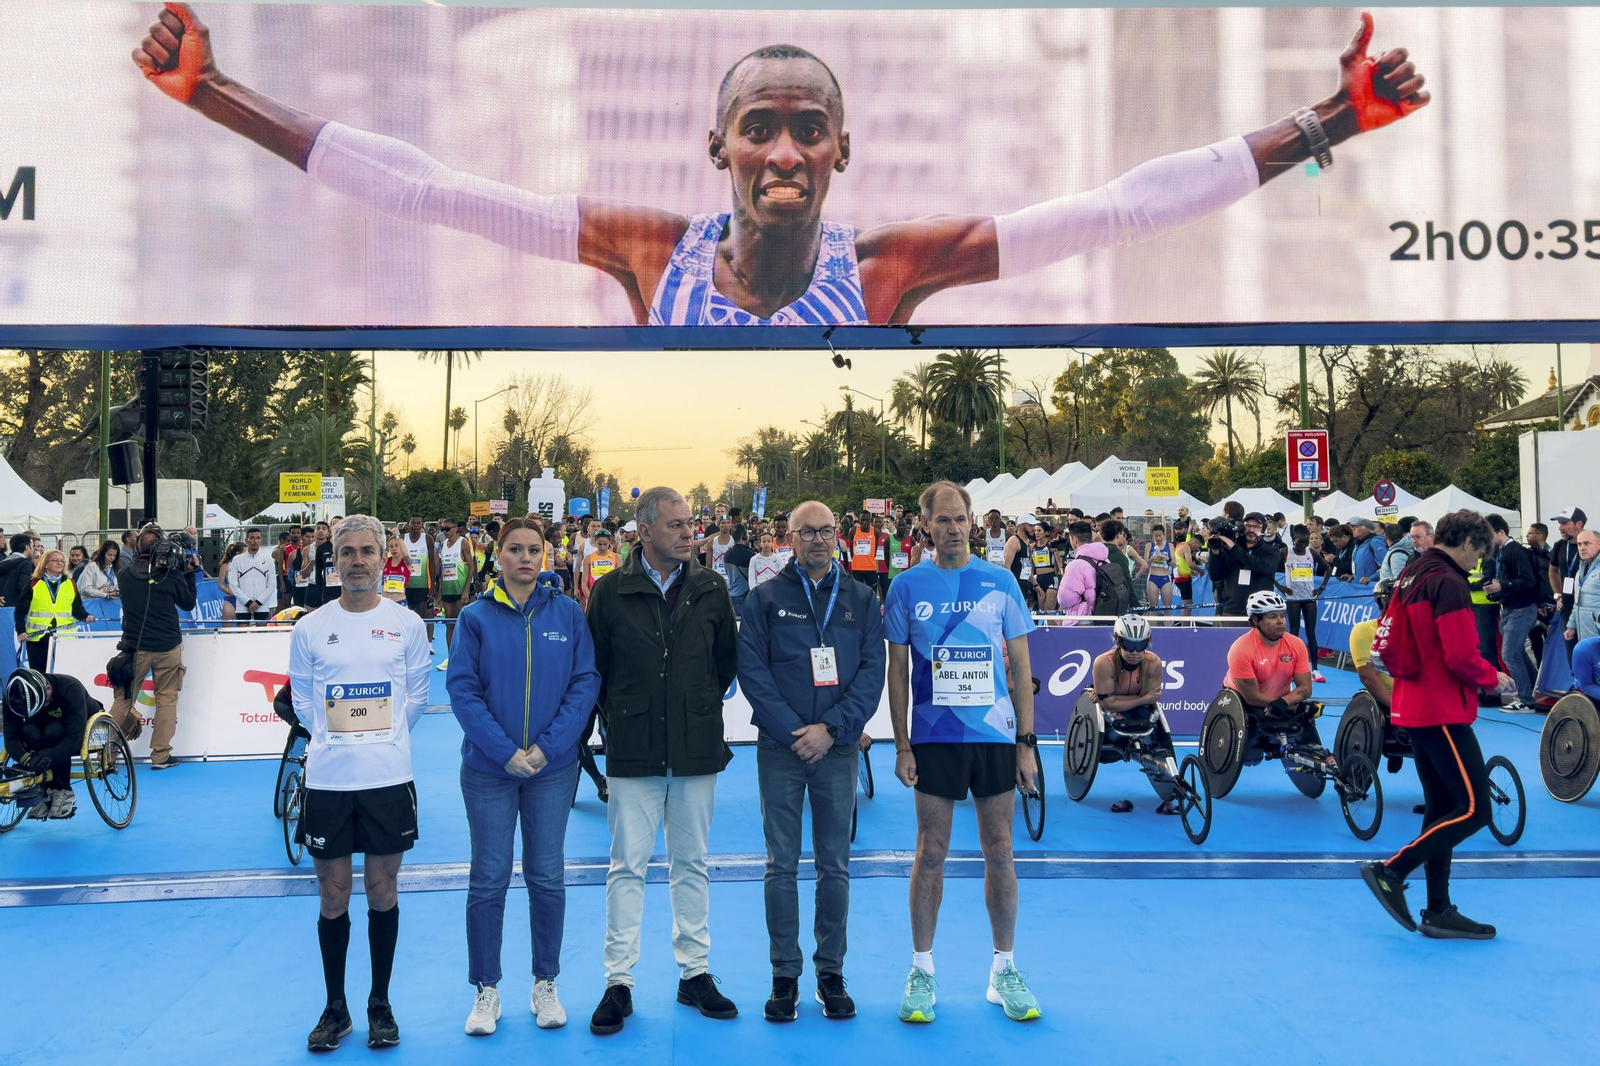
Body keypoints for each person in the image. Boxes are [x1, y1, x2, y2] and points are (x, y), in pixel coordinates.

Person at [584, 487, 740, 1035]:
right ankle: (618, 983)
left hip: (696, 749)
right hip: (633, 750)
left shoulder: (712, 588)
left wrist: (691, 709)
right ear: (644, 531)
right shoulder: (608, 592)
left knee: (691, 864)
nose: (687, 533)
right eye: (675, 525)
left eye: (689, 524)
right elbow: (596, 672)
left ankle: (694, 973)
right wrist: (626, 716)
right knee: (625, 866)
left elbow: (724, 668)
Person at [883, 481, 1040, 1024]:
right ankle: (922, 969)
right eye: (943, 519)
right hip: (933, 738)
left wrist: (1026, 744)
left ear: (973, 521)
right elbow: (897, 672)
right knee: (931, 850)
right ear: (925, 525)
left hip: (994, 737)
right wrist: (902, 742)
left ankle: (1005, 969)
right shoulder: (906, 587)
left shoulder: (1001, 583)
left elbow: (1021, 668)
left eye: (960, 518)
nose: (953, 527)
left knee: (1001, 850)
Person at [447, 518, 601, 1036]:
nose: (526, 558)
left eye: (535, 549)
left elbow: (584, 685)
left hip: (551, 770)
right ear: (498, 555)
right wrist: (505, 751)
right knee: (488, 879)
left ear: (548, 555)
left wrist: (546, 749)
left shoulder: (569, 614)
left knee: (546, 876)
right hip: (490, 771)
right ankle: (486, 989)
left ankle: (545, 983)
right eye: (515, 549)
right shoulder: (473, 618)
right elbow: (463, 691)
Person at [287, 515, 432, 1051]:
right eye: (347, 552)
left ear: (382, 556)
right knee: (333, 894)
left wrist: (381, 739)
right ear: (335, 559)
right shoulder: (309, 627)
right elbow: (303, 699)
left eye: (367, 551)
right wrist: (333, 740)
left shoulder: (407, 625)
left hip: (388, 778)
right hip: (328, 779)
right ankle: (334, 1008)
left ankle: (380, 1004)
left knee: (380, 890)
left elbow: (416, 698)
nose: (357, 561)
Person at [737, 499, 884, 1022]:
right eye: (807, 532)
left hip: (837, 749)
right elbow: (752, 670)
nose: (818, 539)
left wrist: (833, 730)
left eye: (826, 531)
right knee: (780, 865)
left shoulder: (862, 599)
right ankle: (784, 976)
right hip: (781, 749)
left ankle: (830, 972)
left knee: (834, 866)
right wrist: (794, 730)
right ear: (789, 538)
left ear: (838, 536)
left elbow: (872, 673)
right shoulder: (765, 597)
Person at [1360, 510, 1517, 941]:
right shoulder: (1448, 582)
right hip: (1441, 706)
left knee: (1441, 808)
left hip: (1412, 703)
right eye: (1479, 554)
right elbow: (1461, 655)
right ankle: (1392, 871)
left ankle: (1437, 909)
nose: (1479, 563)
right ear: (1467, 542)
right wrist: (1494, 677)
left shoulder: (1414, 572)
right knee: (1475, 809)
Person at [107, 525, 199, 770]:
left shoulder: (124, 575)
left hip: (134, 648)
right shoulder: (171, 575)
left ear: (137, 547)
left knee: (123, 700)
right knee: (166, 700)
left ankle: (107, 757)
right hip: (167, 647)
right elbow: (188, 603)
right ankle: (160, 756)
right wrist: (188, 573)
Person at [1092, 615, 1180, 814]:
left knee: (1147, 717)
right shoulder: (1103, 663)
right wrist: (1138, 699)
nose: (1134, 651)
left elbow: (1150, 701)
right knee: (1122, 714)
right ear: (1118, 640)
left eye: (1140, 645)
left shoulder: (1153, 662)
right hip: (1112, 721)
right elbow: (1109, 703)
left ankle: (1173, 781)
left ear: (1148, 642)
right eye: (1128, 644)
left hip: (1136, 711)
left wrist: (1116, 700)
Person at [1225, 591, 1319, 745]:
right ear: (1256, 620)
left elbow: (1306, 688)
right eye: (1272, 617)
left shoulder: (1297, 644)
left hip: (1281, 700)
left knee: (1307, 713)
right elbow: (1252, 697)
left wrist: (1284, 703)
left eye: (1282, 615)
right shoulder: (1241, 649)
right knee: (1258, 720)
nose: (1280, 621)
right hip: (1245, 702)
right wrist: (1284, 704)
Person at [3, 668, 95, 821]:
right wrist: (28, 759)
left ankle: (63, 789)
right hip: (41, 725)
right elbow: (12, 739)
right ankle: (43, 789)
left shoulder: (70, 687)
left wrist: (49, 757)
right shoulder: (13, 698)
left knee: (54, 730)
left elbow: (75, 737)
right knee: (28, 729)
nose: (44, 707)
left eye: (44, 703)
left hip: (76, 722)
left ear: (48, 688)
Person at [1482, 513, 1537, 711]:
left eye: (1489, 534)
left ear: (1501, 532)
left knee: (1510, 654)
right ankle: (1532, 691)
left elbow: (1528, 581)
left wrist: (1502, 586)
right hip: (1509, 609)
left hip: (1520, 609)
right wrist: (1493, 590)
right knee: (1516, 652)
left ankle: (1525, 698)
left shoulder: (1516, 551)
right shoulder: (1500, 551)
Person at [17, 550, 90, 671]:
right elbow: (20, 610)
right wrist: (21, 630)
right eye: (55, 560)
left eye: (62, 561)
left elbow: (77, 608)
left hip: (64, 638)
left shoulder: (71, 583)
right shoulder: (33, 583)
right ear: (45, 564)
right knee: (39, 674)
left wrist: (86, 616)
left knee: (65, 672)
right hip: (38, 637)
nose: (60, 563)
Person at [1279, 524, 1331, 682]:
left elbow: (1328, 568)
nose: (1303, 545)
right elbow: (1268, 570)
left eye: (1305, 542)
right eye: (1300, 542)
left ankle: (1315, 669)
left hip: (1309, 597)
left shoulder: (1311, 552)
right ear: (1294, 539)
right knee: (1293, 633)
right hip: (1293, 598)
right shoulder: (1285, 552)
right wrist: (1281, 587)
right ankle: (1292, 669)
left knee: (1311, 633)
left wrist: (1321, 588)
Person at [436, 518, 478, 670]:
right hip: (447, 589)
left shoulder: (463, 543)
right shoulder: (442, 546)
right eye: (442, 529)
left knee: (460, 624)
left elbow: (471, 567)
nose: (444, 532)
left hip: (460, 590)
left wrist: (466, 590)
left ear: (455, 529)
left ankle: (464, 657)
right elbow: (442, 571)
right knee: (449, 624)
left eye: (447, 529)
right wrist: (439, 593)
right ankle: (450, 657)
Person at [1550, 508, 1588, 660]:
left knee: (1590, 653)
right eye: (1559, 523)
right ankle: (1577, 682)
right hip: (1567, 608)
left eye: (1565, 523)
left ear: (1579, 523)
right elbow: (1553, 571)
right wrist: (1558, 595)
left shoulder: (1592, 544)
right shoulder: (1559, 545)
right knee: (1572, 654)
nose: (1560, 527)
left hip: (1588, 611)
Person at [226, 527, 279, 624]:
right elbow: (233, 584)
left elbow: (272, 584)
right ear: (246, 540)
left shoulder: (268, 560)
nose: (255, 541)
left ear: (261, 540)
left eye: (258, 538)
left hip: (262, 606)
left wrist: (258, 602)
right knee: (242, 637)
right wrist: (248, 602)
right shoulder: (237, 560)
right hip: (242, 606)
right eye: (252, 538)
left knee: (262, 636)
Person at [1058, 522, 1107, 620]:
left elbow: (1064, 599)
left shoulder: (1076, 565)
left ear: (1074, 540)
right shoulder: (1104, 559)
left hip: (1082, 617)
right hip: (1105, 614)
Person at [400, 515, 439, 631]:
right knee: (407, 616)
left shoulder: (427, 539)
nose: (416, 525)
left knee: (420, 618)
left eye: (418, 523)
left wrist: (432, 584)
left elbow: (432, 562)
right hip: (405, 585)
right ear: (408, 524)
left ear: (422, 525)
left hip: (422, 585)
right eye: (413, 523)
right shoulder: (402, 539)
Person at [1562, 529, 1600, 644]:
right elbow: (1578, 602)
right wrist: (1572, 626)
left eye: (1587, 543)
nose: (1582, 548)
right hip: (1586, 634)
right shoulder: (1581, 569)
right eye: (1579, 544)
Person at [578, 527, 621, 610]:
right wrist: (591, 599)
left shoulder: (616, 557)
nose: (602, 547)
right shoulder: (588, 558)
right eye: (599, 544)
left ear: (610, 541)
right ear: (595, 541)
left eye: (605, 544)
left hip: (611, 597)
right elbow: (584, 583)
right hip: (593, 596)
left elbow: (619, 580)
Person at [0, 533, 42, 614]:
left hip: (3, 609)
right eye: (32, 546)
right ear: (27, 547)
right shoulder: (25, 564)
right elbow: (24, 588)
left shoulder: (3, 563)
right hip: (16, 609)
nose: (33, 549)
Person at [1142, 524, 1175, 614]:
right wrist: (1152, 558)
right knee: (1153, 608)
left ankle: (1168, 626)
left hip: (1165, 577)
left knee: (1167, 609)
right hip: (1153, 577)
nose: (1158, 538)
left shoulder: (1170, 546)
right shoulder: (1149, 545)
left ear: (1164, 535)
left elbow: (1174, 564)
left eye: (1160, 535)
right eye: (1155, 536)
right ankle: (1152, 626)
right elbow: (1145, 563)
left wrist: (1166, 558)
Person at [1349, 518, 1388, 584]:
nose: (1353, 529)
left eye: (1356, 527)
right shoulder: (1358, 544)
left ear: (1366, 529)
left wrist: (1371, 578)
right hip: (1360, 587)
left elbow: (1385, 566)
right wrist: (1354, 576)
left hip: (1372, 587)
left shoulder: (1375, 542)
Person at [380, 537, 411, 604]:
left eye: (397, 546)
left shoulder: (407, 562)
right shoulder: (386, 561)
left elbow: (406, 555)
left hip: (400, 602)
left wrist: (398, 536)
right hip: (385, 602)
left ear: (401, 547)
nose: (394, 549)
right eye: (391, 547)